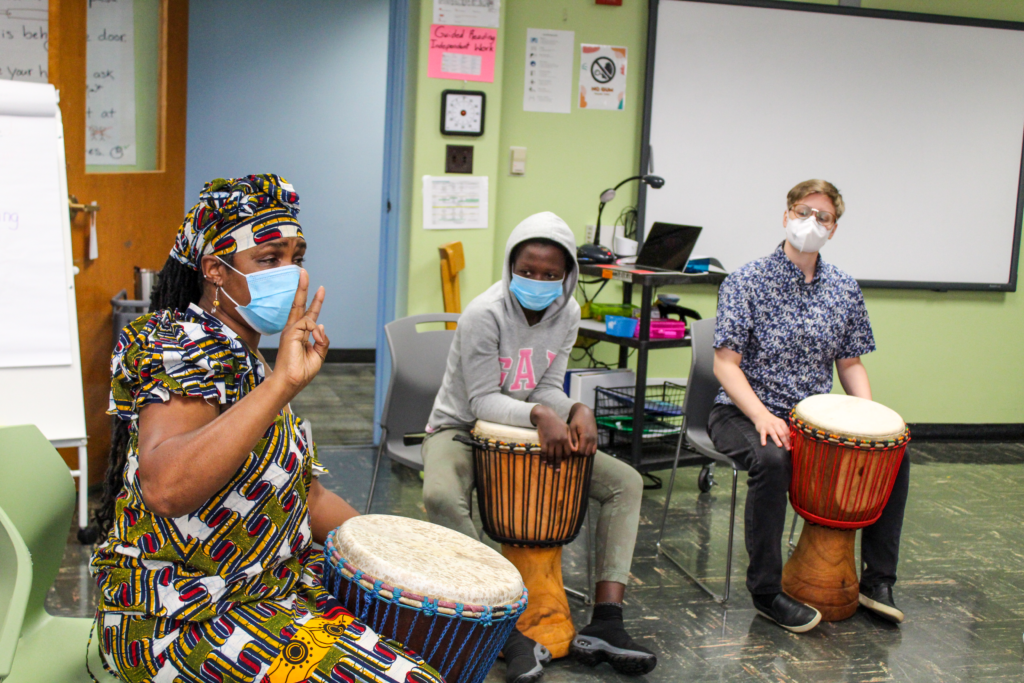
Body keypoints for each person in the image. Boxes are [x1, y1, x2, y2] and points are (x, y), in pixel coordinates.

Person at [90, 175, 444, 683]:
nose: (291, 273)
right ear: (215, 269)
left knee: (415, 647)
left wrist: (391, 546)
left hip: (266, 591)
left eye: (296, 257)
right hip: (183, 619)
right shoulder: (175, 344)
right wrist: (280, 385)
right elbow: (166, 488)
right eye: (269, 258)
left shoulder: (248, 359)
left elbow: (305, 495)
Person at [421, 212, 657, 682]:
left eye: (551, 274)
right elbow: (482, 400)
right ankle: (501, 627)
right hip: (461, 428)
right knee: (440, 496)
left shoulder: (567, 312)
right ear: (511, 266)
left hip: (531, 431)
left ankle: (608, 621)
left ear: (567, 275)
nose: (538, 280)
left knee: (625, 483)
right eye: (528, 271)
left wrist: (575, 409)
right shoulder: (483, 314)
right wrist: (538, 414)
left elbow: (546, 384)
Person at [708, 179, 910, 632]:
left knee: (895, 454)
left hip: (811, 418)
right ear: (786, 216)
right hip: (741, 411)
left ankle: (877, 582)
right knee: (771, 459)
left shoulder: (844, 288)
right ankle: (766, 591)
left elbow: (850, 363)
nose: (811, 222)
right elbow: (725, 365)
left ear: (834, 229)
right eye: (803, 211)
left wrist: (870, 423)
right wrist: (762, 416)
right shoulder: (746, 280)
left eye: (823, 217)